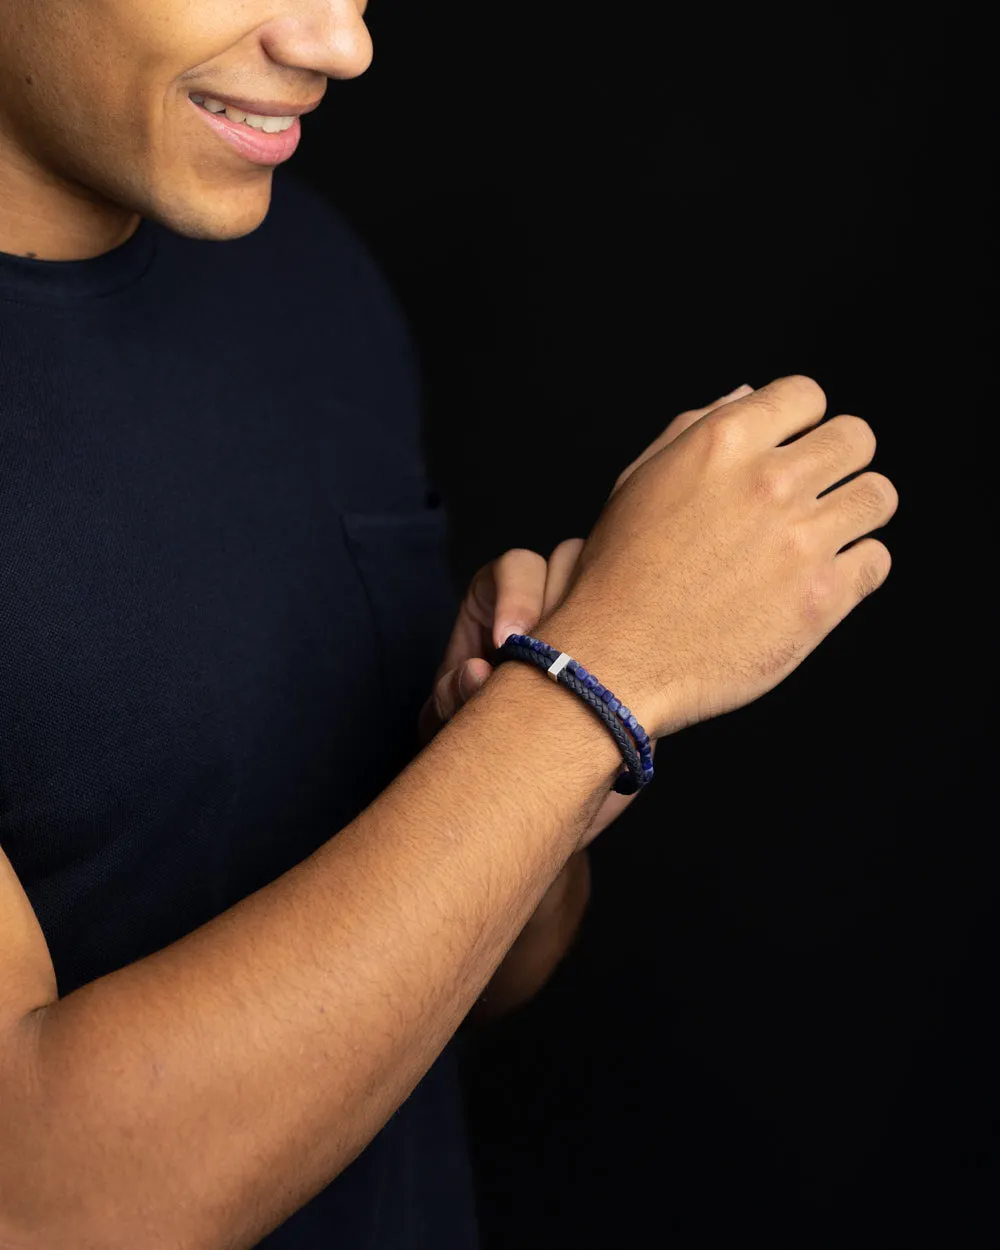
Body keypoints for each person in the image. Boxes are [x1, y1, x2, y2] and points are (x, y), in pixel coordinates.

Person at [0, 3, 899, 1248]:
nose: (341, 44)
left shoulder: (302, 271)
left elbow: (491, 971)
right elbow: (41, 1192)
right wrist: (595, 685)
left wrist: (515, 755)